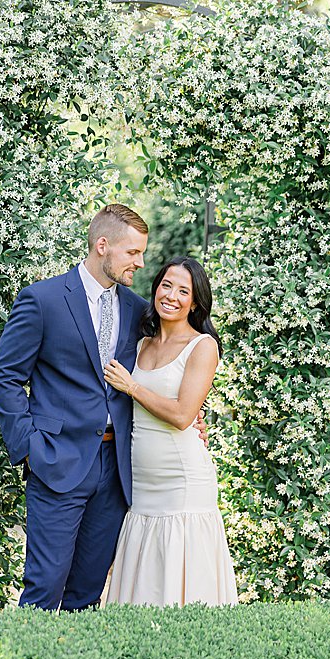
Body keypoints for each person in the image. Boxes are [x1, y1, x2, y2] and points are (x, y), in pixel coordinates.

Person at [0, 204, 152, 610]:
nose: (141, 262)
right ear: (103, 246)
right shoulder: (42, 299)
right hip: (56, 461)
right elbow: (5, 376)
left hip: (115, 471)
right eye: (133, 253)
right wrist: (29, 445)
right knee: (44, 587)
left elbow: (159, 365)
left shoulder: (136, 309)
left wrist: (189, 411)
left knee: (87, 593)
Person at [102, 256, 237, 606]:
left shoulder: (202, 347)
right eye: (166, 286)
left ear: (195, 302)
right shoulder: (141, 344)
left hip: (182, 480)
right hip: (142, 482)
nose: (172, 297)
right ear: (155, 288)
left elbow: (181, 415)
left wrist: (132, 387)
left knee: (180, 570)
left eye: (183, 291)